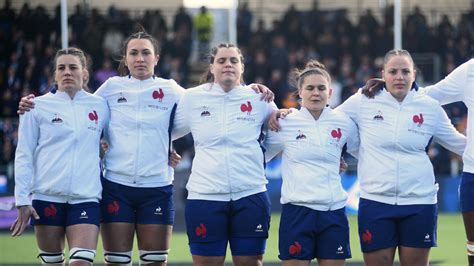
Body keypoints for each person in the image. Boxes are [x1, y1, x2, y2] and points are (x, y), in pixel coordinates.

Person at [17, 31, 273, 266]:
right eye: (134, 53)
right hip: (117, 186)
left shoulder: (173, 90)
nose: (140, 58)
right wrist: (36, 101)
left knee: (154, 261)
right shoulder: (109, 90)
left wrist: (250, 89)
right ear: (125, 59)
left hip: (157, 187)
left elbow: (211, 102)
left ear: (156, 58)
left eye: (146, 53)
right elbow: (80, 111)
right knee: (116, 261)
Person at [336, 49, 466, 266]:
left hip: (419, 202)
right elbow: (331, 121)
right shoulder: (363, 100)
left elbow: (459, 144)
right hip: (376, 201)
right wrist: (283, 115)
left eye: (405, 71)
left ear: (414, 74)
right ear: (383, 74)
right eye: (393, 71)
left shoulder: (430, 106)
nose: (399, 77)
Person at [172, 43, 277, 266]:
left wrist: (258, 159)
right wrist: (166, 150)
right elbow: (166, 131)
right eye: (221, 61)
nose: (227, 64)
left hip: (250, 194)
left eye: (233, 61)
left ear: (242, 67)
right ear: (212, 67)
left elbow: (280, 134)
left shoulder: (260, 99)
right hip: (205, 196)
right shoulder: (192, 98)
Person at [11, 47, 109, 265]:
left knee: (81, 262)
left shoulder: (101, 105)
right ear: (54, 74)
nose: (67, 72)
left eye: (73, 67)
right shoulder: (35, 106)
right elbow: (24, 155)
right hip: (46, 198)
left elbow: (122, 136)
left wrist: (167, 150)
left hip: (86, 198)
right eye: (61, 68)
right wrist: (22, 199)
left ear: (84, 73)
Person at [263, 60, 359, 266]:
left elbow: (366, 153)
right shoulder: (285, 123)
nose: (316, 93)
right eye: (310, 88)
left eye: (321, 88)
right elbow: (258, 157)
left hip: (333, 212)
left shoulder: (344, 122)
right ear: (300, 92)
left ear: (330, 93)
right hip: (297, 211)